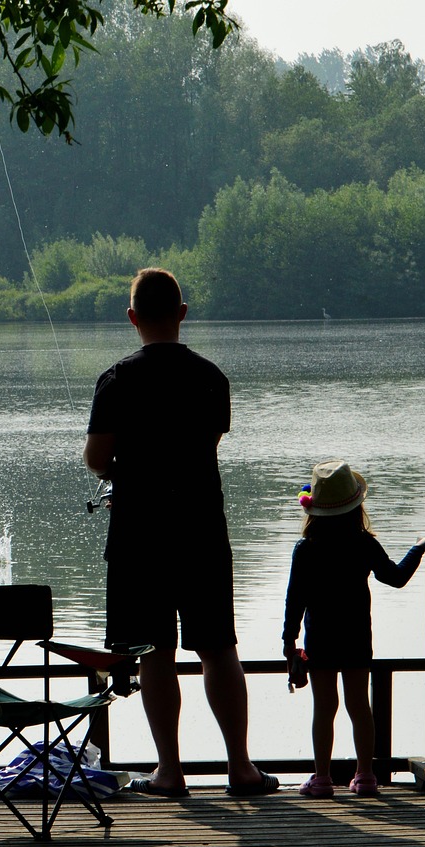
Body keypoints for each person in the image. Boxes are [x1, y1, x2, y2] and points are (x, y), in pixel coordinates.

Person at [83, 267, 278, 799]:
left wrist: (120, 467)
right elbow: (205, 446)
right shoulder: (212, 378)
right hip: (201, 530)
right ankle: (241, 768)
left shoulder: (116, 380)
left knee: (155, 653)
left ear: (132, 318)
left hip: (139, 536)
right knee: (218, 648)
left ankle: (170, 773)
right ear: (182, 314)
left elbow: (98, 458)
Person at [284, 460, 425, 798]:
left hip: (320, 638)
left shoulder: (306, 548)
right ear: (356, 507)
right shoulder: (363, 542)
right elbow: (395, 578)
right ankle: (366, 775)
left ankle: (322, 778)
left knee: (324, 709)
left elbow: (293, 600)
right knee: (359, 705)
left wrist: (288, 642)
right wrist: (418, 547)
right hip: (357, 637)